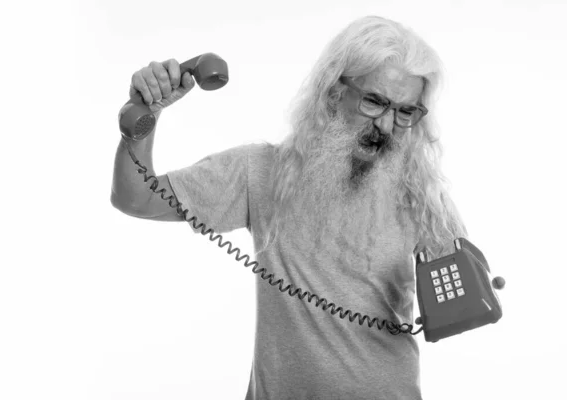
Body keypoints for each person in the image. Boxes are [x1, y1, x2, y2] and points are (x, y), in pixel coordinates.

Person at [111, 15, 468, 400]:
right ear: (334, 91)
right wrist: (145, 114)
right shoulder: (258, 171)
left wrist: (477, 287)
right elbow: (136, 198)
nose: (385, 125)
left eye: (405, 112)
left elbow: (459, 290)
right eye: (374, 101)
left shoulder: (420, 193)